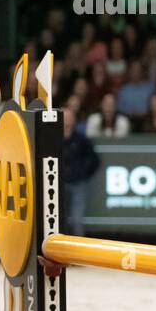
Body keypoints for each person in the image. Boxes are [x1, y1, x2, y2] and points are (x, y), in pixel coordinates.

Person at [61, 96, 99, 235]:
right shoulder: (52, 138)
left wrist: (83, 173)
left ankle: (78, 253)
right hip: (59, 184)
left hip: (78, 184)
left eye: (69, 117)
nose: (67, 121)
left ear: (74, 120)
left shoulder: (81, 139)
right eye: (64, 117)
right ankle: (59, 252)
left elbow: (94, 159)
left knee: (77, 221)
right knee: (59, 220)